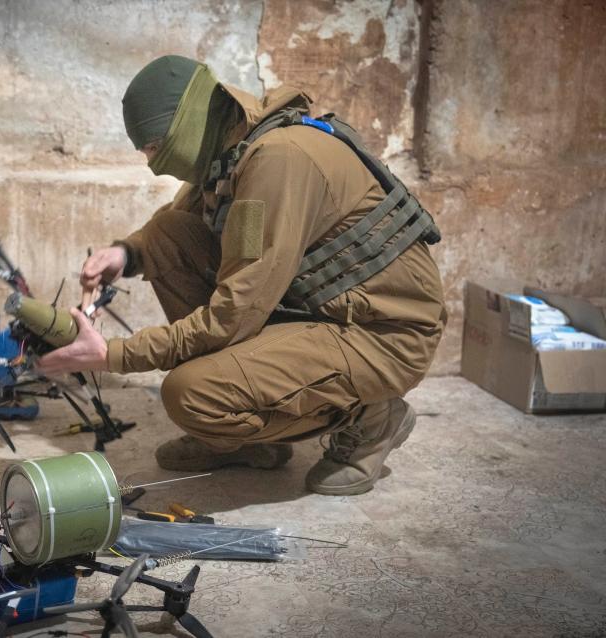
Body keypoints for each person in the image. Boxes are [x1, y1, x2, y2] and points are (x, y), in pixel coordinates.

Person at [37, 55, 446, 496]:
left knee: (189, 393)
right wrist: (126, 254)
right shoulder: (233, 147)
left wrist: (115, 354)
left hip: (382, 334)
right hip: (323, 312)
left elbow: (234, 314)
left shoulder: (278, 160)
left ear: (189, 123)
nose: (153, 164)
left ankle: (370, 418)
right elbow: (176, 226)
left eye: (156, 147)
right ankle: (242, 439)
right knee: (166, 238)